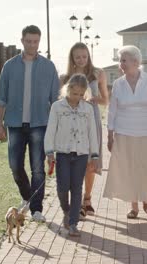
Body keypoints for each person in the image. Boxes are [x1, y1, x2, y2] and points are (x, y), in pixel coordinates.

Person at [0, 25, 59, 223]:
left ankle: (36, 209)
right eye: (29, 41)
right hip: (14, 123)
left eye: (36, 41)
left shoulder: (49, 66)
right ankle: (27, 196)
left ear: (39, 42)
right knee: (15, 165)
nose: (32, 45)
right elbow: (1, 97)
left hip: (40, 123)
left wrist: (56, 129)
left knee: (38, 168)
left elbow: (55, 100)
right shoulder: (10, 66)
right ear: (22, 41)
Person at [103, 45, 147, 219]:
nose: (121, 64)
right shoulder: (118, 84)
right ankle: (134, 206)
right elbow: (112, 110)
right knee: (128, 169)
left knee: (145, 167)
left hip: (146, 131)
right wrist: (109, 135)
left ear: (136, 62)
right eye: (120, 60)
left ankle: (146, 198)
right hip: (124, 132)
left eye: (124, 60)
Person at [44, 73, 99, 236]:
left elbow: (92, 133)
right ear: (68, 90)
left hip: (81, 154)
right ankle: (66, 211)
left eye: (81, 95)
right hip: (63, 154)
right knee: (62, 187)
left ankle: (73, 223)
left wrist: (94, 155)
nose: (77, 97)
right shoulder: (57, 107)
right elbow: (51, 130)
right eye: (75, 94)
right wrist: (49, 152)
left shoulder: (87, 109)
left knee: (76, 188)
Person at [60, 42, 109, 218]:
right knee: (75, 163)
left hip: (91, 122)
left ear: (88, 56)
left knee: (90, 163)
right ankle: (78, 201)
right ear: (72, 58)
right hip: (72, 125)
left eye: (84, 56)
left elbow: (106, 100)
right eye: (77, 57)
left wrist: (94, 98)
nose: (81, 60)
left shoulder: (98, 73)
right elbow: (60, 102)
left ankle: (87, 199)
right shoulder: (65, 78)